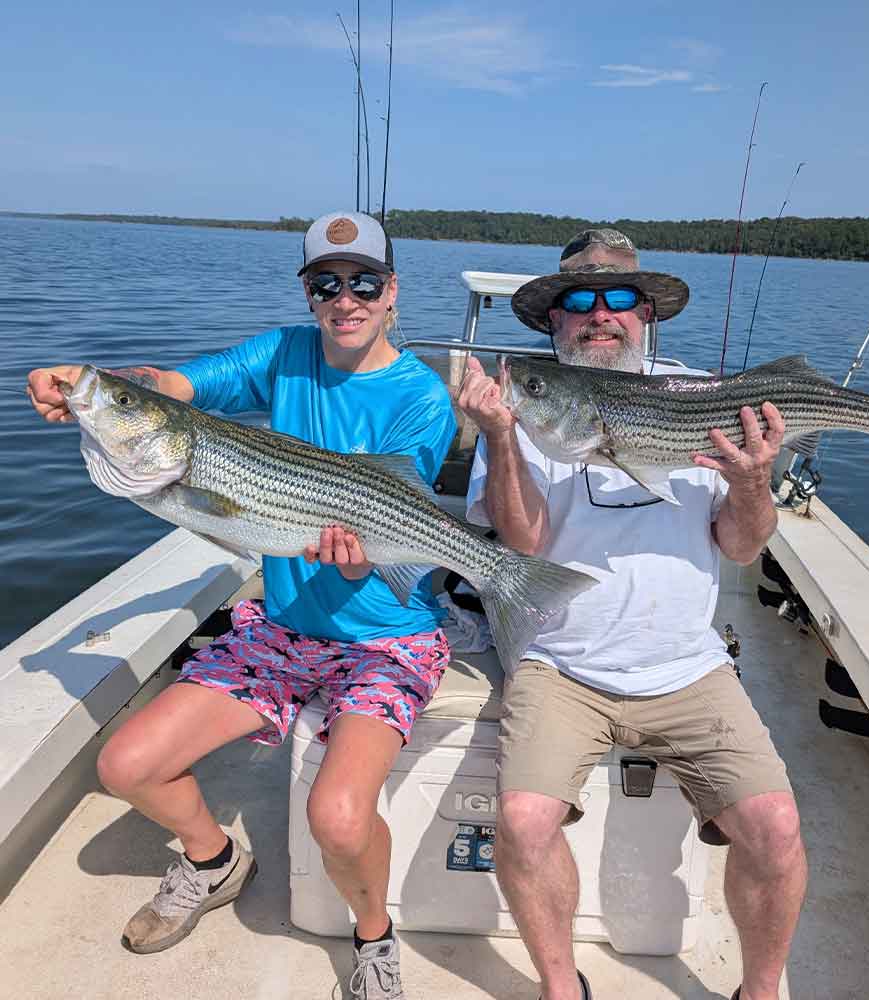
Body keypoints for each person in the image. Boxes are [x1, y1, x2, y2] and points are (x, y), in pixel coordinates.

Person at [27, 211, 456, 1000]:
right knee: (126, 764)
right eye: (326, 283)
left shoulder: (423, 399)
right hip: (284, 630)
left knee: (338, 817)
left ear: (392, 293)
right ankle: (213, 859)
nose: (345, 298)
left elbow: (397, 511)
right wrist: (89, 386)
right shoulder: (282, 354)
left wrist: (366, 550)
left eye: (364, 281)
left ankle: (374, 938)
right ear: (308, 293)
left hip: (385, 639)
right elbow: (175, 390)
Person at [456, 229, 806, 1000]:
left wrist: (752, 480)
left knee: (777, 827)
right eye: (578, 301)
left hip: (688, 665)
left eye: (619, 298)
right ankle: (560, 987)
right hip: (562, 664)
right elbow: (524, 541)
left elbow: (742, 549)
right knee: (522, 821)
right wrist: (501, 440)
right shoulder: (524, 407)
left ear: (646, 313)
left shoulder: (703, 400)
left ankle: (758, 992)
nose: (599, 314)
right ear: (554, 322)